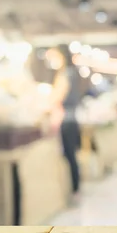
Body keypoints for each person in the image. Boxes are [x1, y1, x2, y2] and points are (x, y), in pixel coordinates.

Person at [50, 45, 82, 202]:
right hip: (71, 119)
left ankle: (75, 189)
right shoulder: (73, 73)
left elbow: (57, 97)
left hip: (66, 120)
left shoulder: (66, 74)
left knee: (69, 156)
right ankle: (75, 188)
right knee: (71, 156)